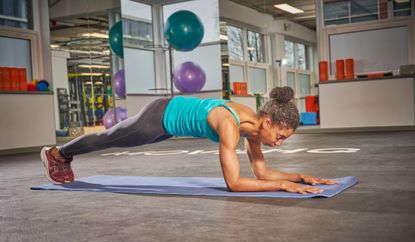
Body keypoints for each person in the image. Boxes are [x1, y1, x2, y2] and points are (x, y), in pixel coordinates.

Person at [41, 86, 336, 194]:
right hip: (159, 116)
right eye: (281, 136)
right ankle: (57, 153)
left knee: (112, 139)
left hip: (169, 127)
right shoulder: (231, 125)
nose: (280, 143)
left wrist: (300, 177)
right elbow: (234, 184)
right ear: (268, 122)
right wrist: (283, 185)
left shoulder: (254, 127)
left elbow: (261, 173)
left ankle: (61, 153)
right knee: (109, 138)